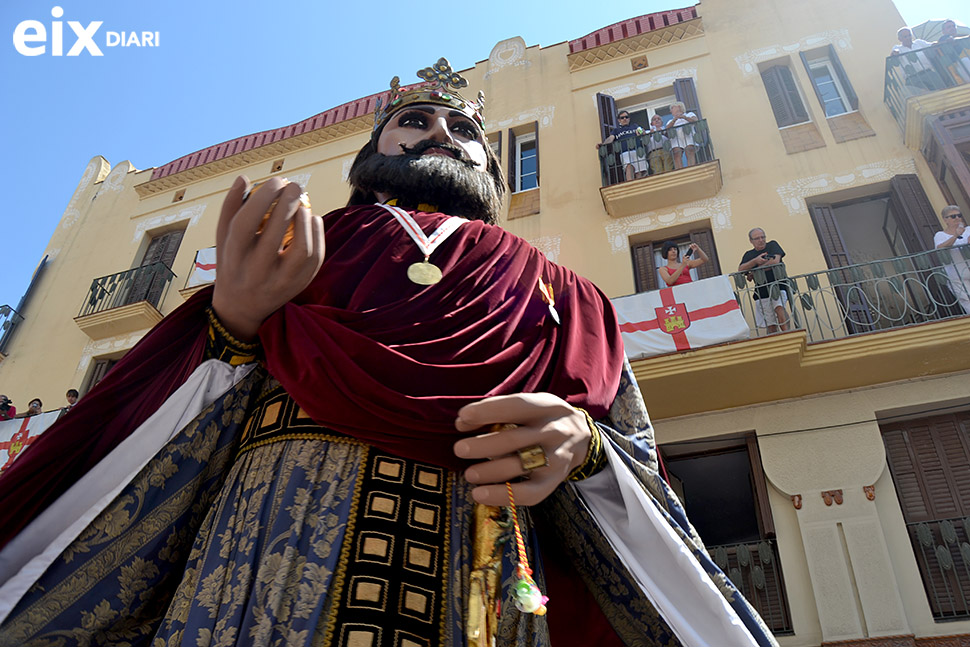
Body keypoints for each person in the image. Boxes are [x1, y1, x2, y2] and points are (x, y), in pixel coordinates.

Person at [0, 59, 777, 647]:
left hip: (476, 564)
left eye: (467, 129)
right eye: (413, 122)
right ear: (369, 153)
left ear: (492, 169)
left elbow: (629, 449)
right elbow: (166, 417)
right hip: (268, 561)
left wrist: (584, 448)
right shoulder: (302, 243)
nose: (442, 133)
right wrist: (232, 323)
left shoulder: (566, 293)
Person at [739, 227, 790, 333]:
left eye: (763, 237)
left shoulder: (772, 245)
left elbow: (775, 261)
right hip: (762, 291)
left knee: (779, 308)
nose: (761, 240)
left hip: (778, 285)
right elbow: (741, 269)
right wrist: (755, 260)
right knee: (770, 322)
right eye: (757, 238)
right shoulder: (749, 255)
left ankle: (788, 334)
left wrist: (754, 271)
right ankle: (775, 343)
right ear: (751, 241)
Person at [934, 205, 970, 314]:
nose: (957, 218)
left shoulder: (968, 230)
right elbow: (940, 248)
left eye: (959, 215)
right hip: (957, 276)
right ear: (945, 220)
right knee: (968, 303)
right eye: (953, 216)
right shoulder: (940, 235)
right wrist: (956, 235)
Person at [596, 110, 647, 181]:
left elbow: (642, 132)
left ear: (629, 119)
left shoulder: (635, 126)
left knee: (639, 172)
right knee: (629, 167)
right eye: (622, 118)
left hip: (637, 150)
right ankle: (630, 184)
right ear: (619, 120)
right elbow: (611, 138)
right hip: (625, 152)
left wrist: (642, 132)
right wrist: (603, 144)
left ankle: (640, 185)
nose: (624, 119)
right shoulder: (616, 131)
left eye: (626, 117)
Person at [667, 101, 698, 169]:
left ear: (679, 107)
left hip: (688, 135)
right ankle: (680, 170)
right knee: (677, 153)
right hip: (676, 138)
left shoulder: (689, 114)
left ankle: (691, 169)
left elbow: (695, 120)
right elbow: (667, 129)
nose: (670, 110)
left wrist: (684, 117)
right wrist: (674, 120)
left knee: (689, 150)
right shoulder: (671, 120)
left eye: (672, 108)